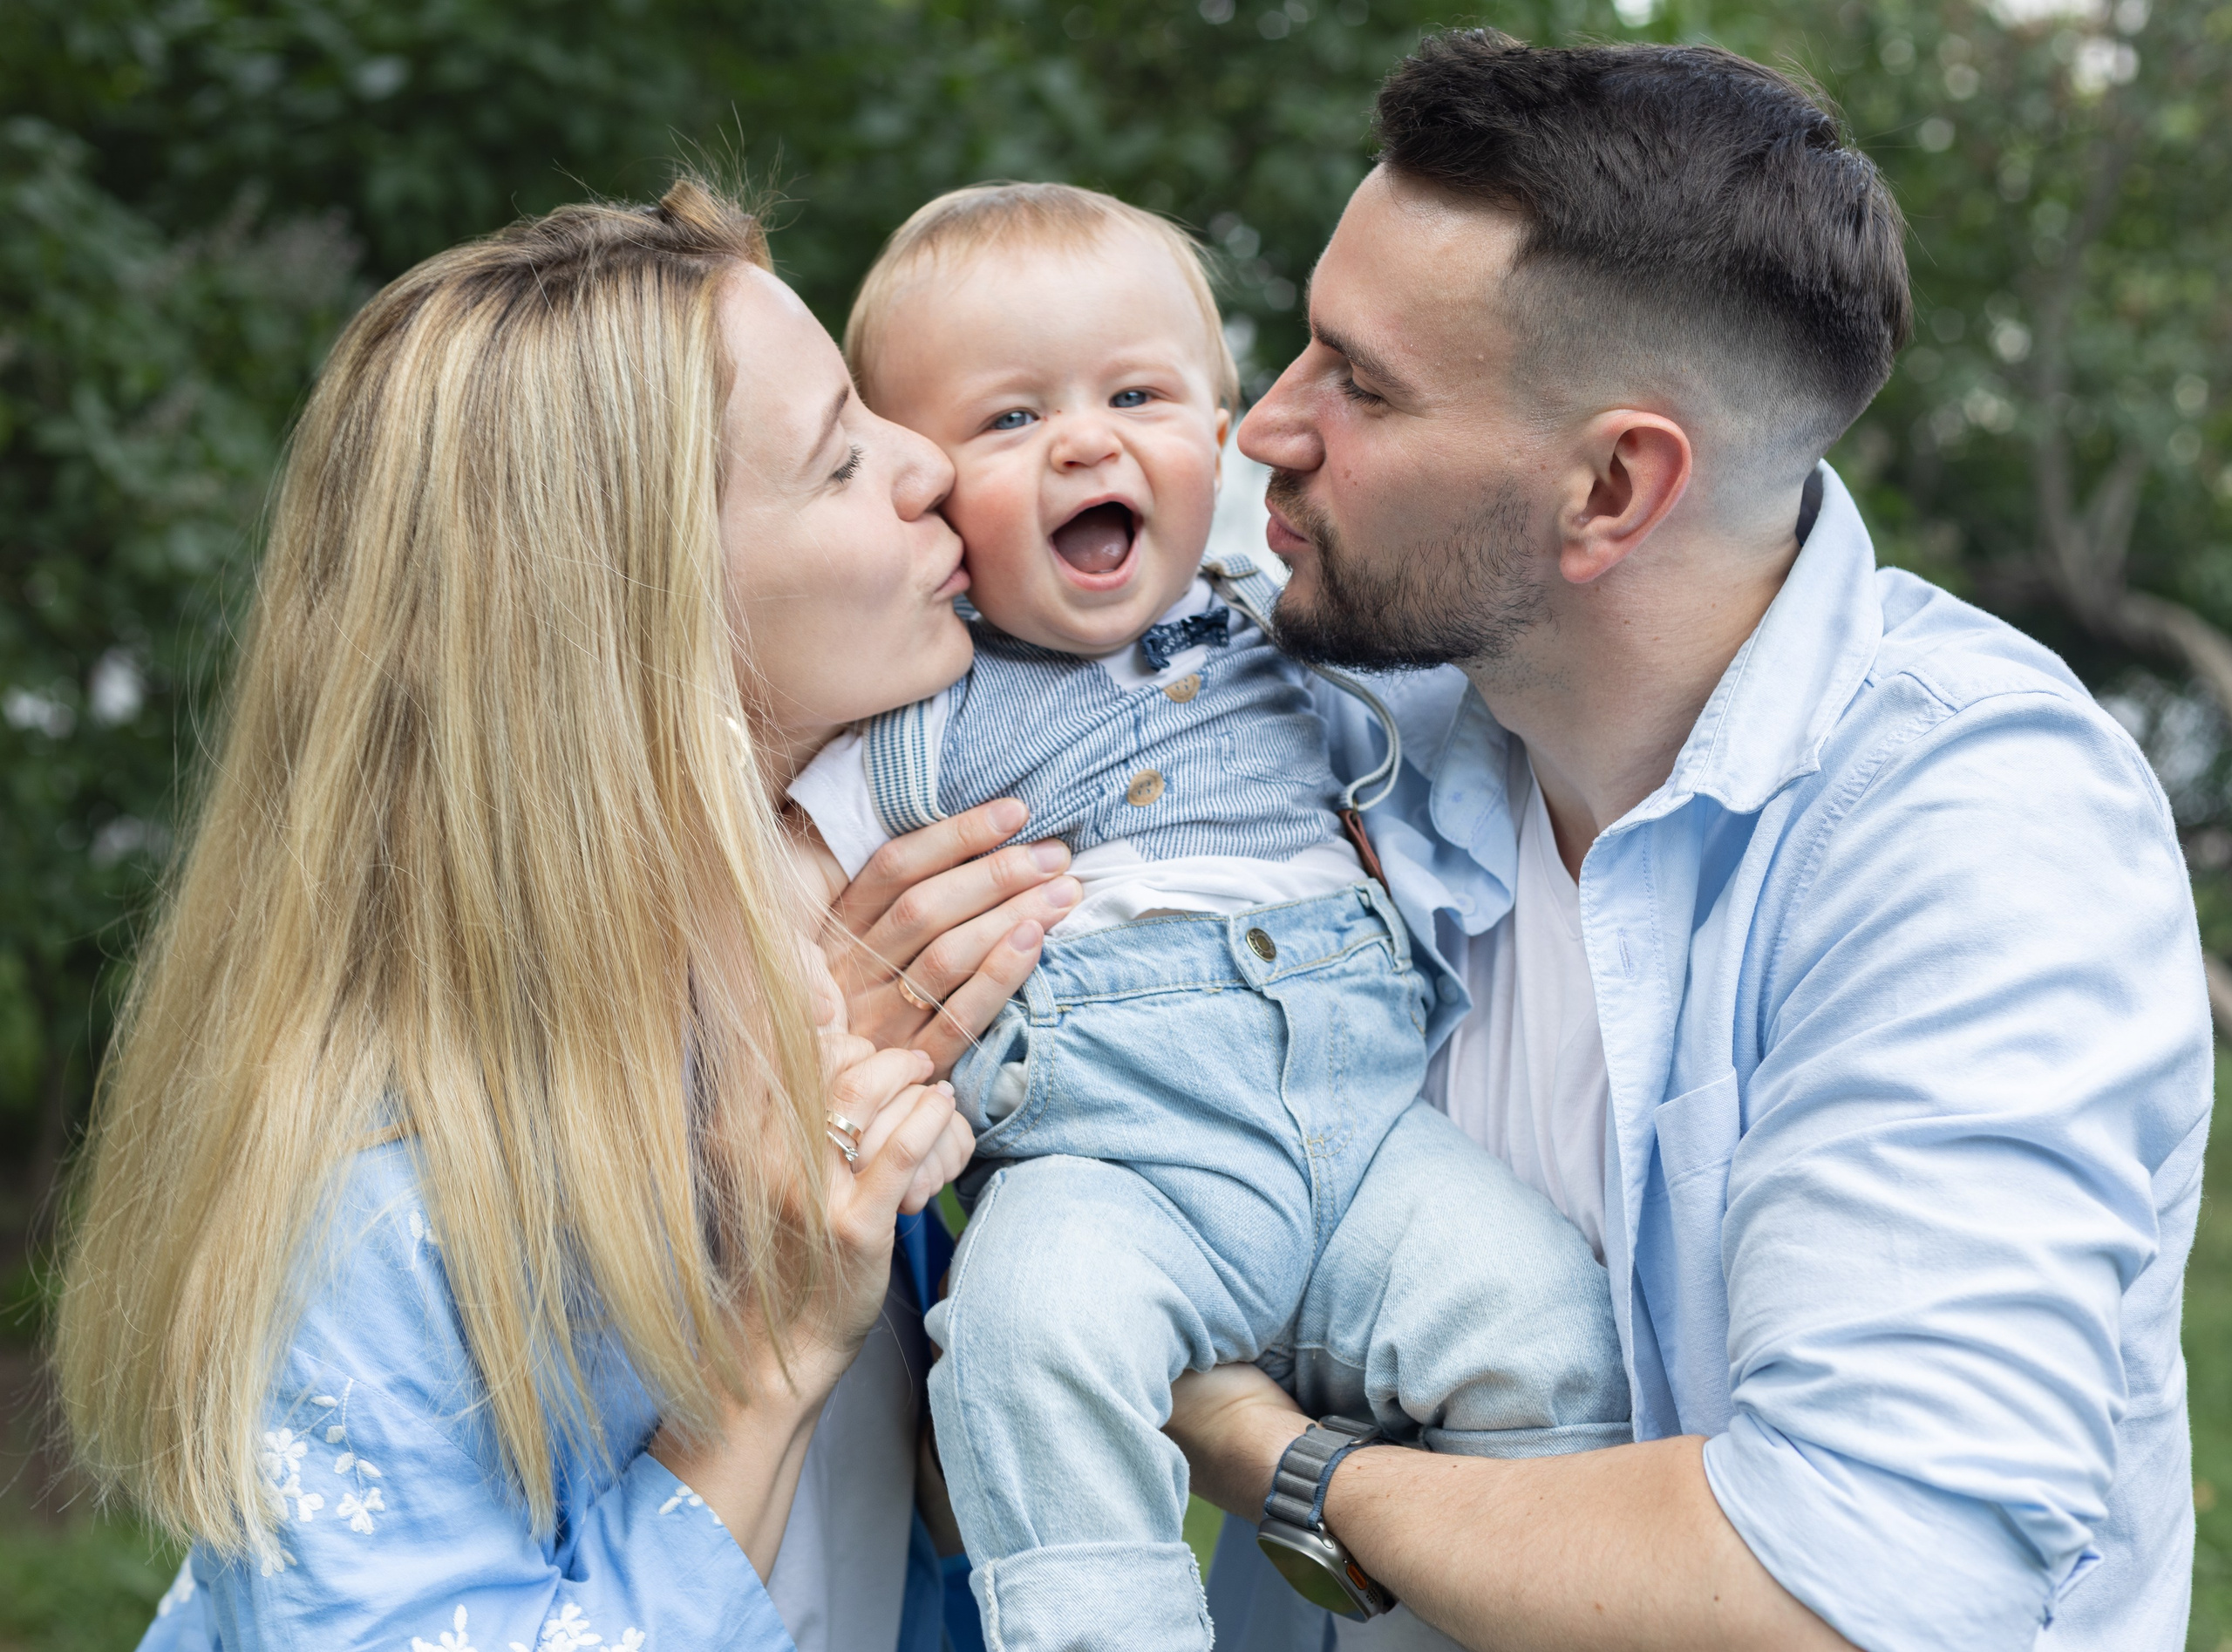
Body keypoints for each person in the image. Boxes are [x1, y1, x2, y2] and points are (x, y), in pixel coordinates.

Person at [1167, 31, 2213, 1652]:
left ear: (1612, 489)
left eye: (1359, 383)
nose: (1268, 432)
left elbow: (1848, 1587)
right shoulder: (1336, 712)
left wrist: (1281, 1464)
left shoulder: (1974, 834)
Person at [53, 178, 1079, 1652]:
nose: (933, 465)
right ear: (635, 621)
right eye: (841, 460)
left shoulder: (832, 994)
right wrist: (777, 1351)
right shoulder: (385, 1194)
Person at [788, 180, 1627, 1649]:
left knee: (1545, 1321)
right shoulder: (920, 709)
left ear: (1220, 426)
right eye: (1008, 422)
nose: (1088, 441)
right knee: (1020, 1331)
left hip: (1366, 1148)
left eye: (1137, 393)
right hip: (1122, 1175)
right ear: (919, 488)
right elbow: (777, 885)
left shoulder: (1286, 622)